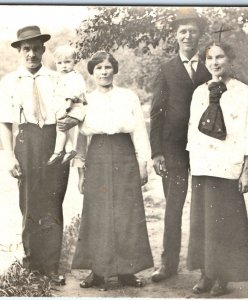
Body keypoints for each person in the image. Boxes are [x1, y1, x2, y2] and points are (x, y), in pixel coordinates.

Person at [0, 26, 81, 284]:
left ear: (43, 50)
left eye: (36, 49)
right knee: (29, 204)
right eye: (27, 49)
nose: (32, 54)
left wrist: (69, 135)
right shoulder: (10, 81)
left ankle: (52, 266)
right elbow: (4, 123)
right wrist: (10, 158)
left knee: (54, 201)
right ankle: (32, 264)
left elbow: (76, 107)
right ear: (19, 52)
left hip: (53, 138)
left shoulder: (58, 77)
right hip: (26, 141)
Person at [71, 51, 154, 290]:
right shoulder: (84, 99)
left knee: (127, 212)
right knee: (97, 214)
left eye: (108, 67)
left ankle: (128, 271)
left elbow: (138, 129)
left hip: (124, 153)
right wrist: (80, 171)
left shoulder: (128, 96)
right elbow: (79, 140)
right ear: (92, 72)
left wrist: (142, 163)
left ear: (114, 70)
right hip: (97, 155)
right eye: (98, 68)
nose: (104, 72)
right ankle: (97, 271)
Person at [186, 41, 248, 296]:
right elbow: (193, 132)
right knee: (203, 223)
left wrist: (247, 170)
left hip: (229, 167)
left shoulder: (242, 92)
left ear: (229, 60)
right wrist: (193, 165)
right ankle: (206, 273)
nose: (215, 63)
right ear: (205, 63)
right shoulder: (198, 92)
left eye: (219, 57)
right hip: (203, 167)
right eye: (210, 58)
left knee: (225, 224)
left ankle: (223, 277)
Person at [150, 7, 211, 282]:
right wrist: (157, 152)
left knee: (205, 206)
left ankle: (207, 267)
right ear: (176, 36)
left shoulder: (211, 65)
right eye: (182, 31)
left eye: (193, 30)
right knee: (173, 206)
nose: (188, 35)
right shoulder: (166, 69)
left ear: (200, 34)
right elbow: (156, 113)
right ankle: (168, 264)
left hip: (205, 148)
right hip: (173, 149)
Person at [47, 45, 87, 165]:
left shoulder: (74, 77)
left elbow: (74, 94)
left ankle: (58, 151)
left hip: (74, 107)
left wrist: (66, 107)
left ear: (74, 62)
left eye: (67, 62)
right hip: (66, 106)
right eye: (60, 63)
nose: (63, 66)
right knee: (62, 128)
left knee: (60, 127)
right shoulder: (62, 77)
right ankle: (69, 150)